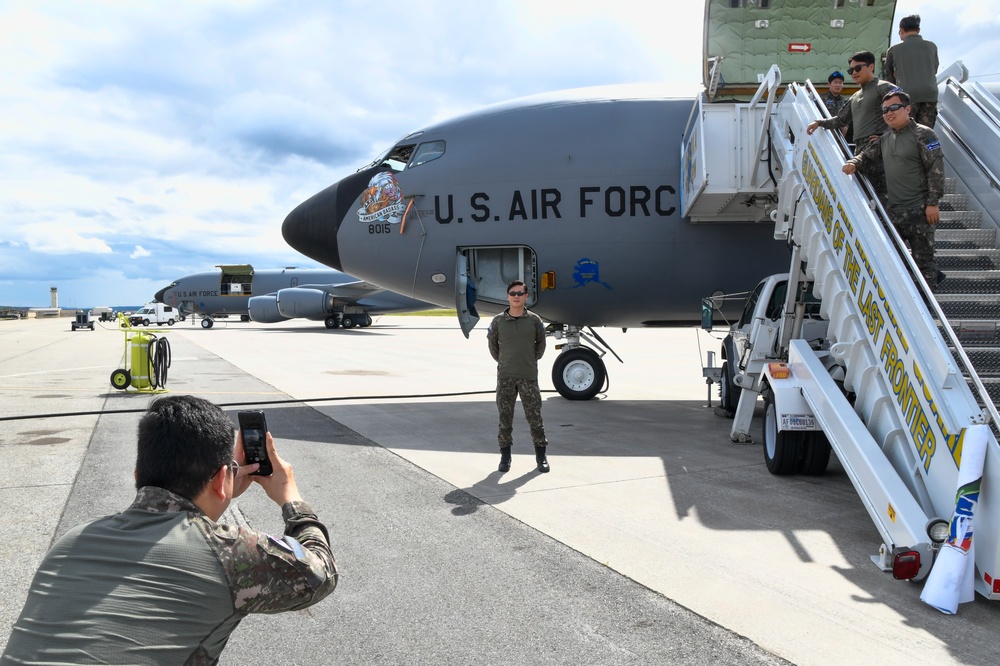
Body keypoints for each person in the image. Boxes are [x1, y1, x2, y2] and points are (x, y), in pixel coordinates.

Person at [2, 395, 338, 665]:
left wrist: (217, 492)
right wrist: (291, 498)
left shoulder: (72, 540)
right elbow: (321, 572)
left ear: (137, 473)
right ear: (224, 478)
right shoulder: (229, 553)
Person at [843, 90, 945, 289]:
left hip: (919, 212)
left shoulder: (924, 134)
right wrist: (853, 162)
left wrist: (933, 203)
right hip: (893, 213)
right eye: (885, 110)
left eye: (894, 108)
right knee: (889, 262)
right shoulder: (885, 139)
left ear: (907, 109)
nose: (889, 113)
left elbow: (936, 168)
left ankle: (927, 313)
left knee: (925, 265)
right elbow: (866, 155)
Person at [487, 280, 550, 474]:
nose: (516, 296)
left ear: (526, 296)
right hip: (506, 377)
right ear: (507, 296)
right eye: (512, 293)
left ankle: (541, 457)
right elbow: (493, 346)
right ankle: (505, 458)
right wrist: (505, 362)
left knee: (535, 418)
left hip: (528, 377)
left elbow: (541, 345)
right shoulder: (498, 321)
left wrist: (529, 361)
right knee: (505, 419)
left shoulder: (534, 320)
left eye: (520, 293)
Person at [807, 51, 897, 154]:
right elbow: (840, 120)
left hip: (881, 150)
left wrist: (888, 136)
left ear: (871, 67)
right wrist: (819, 123)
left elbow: (904, 112)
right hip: (861, 152)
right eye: (851, 70)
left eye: (858, 68)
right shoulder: (855, 97)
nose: (854, 73)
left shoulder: (885, 88)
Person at [883, 14, 939, 128]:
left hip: (907, 95)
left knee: (907, 130)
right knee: (926, 130)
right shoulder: (931, 46)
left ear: (901, 30)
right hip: (930, 93)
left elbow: (888, 77)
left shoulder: (894, 50)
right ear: (918, 30)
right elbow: (935, 68)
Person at [821, 71, 850, 140]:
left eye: (840, 83)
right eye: (835, 82)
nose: (838, 85)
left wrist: (845, 127)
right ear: (829, 84)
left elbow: (846, 118)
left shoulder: (843, 101)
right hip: (825, 135)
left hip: (839, 138)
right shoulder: (822, 98)